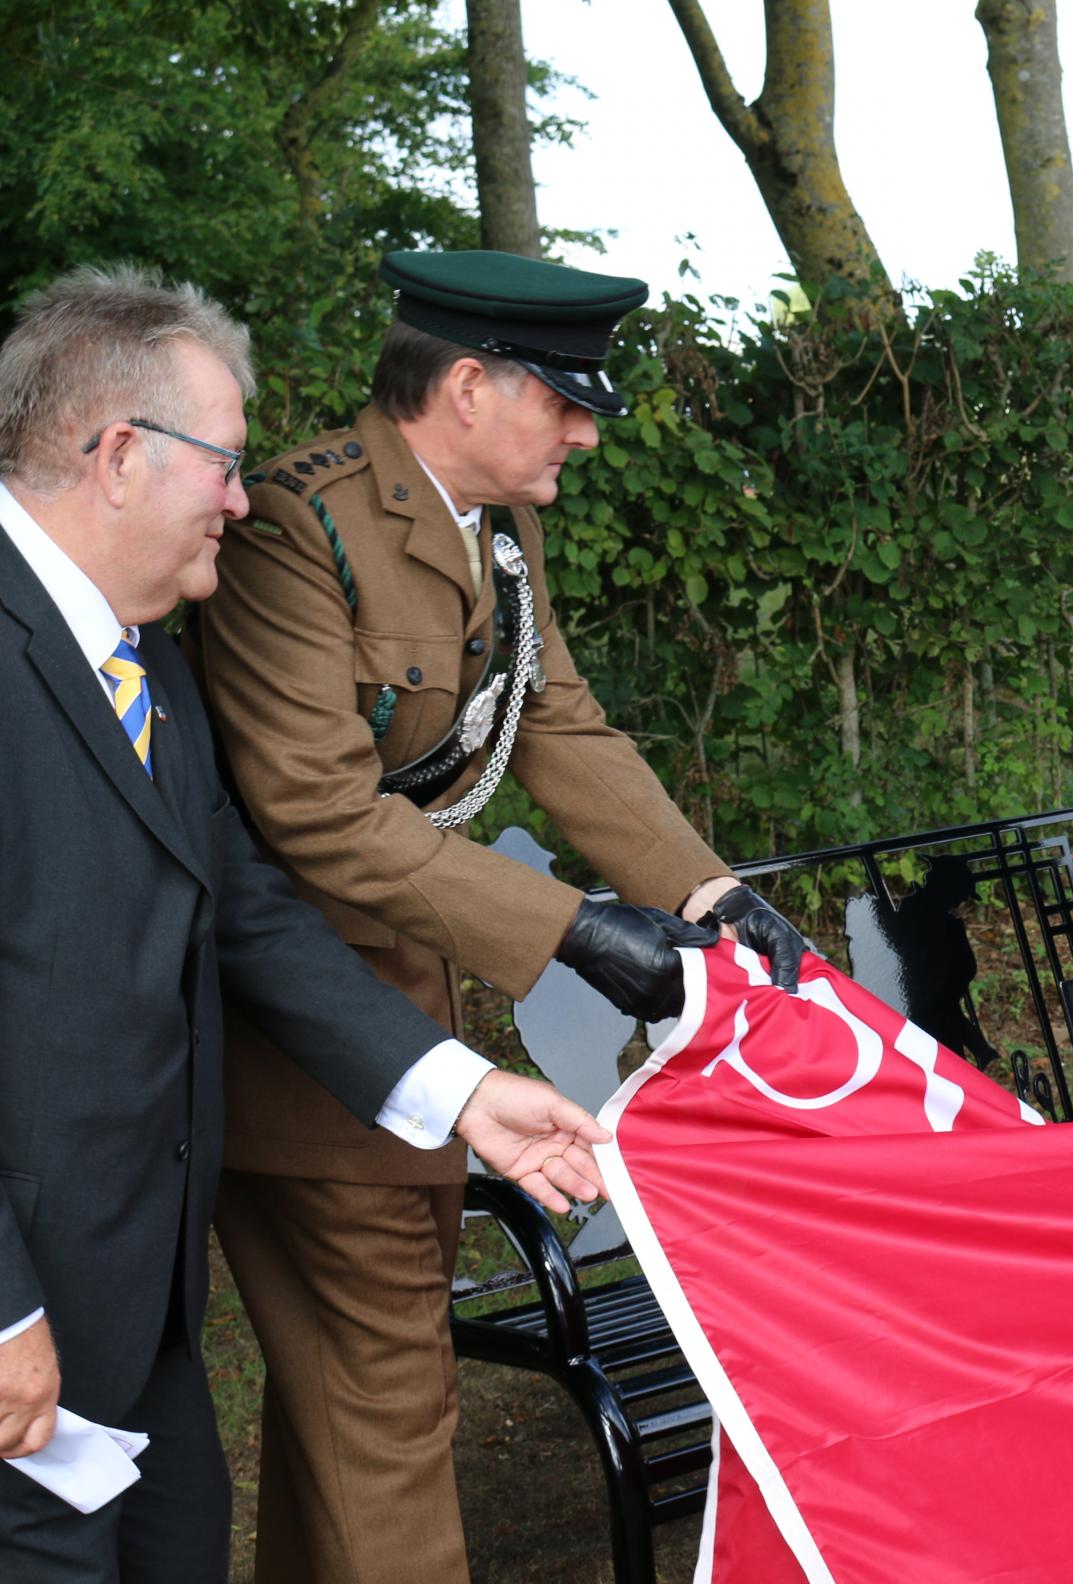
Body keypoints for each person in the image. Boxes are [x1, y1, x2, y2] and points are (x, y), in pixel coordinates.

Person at [0, 267, 672, 1580]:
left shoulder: (138, 663)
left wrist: (464, 1090)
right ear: (121, 456)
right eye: (227, 464)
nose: (243, 502)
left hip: (136, 1311)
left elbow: (242, 912)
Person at [179, 248, 810, 1584]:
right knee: (391, 1395)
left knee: (350, 1403)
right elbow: (318, 814)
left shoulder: (496, 528)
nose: (587, 427)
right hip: (300, 1032)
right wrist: (576, 931)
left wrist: (703, 890)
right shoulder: (305, 526)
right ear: (468, 386)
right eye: (565, 399)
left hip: (401, 1012)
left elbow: (557, 721)